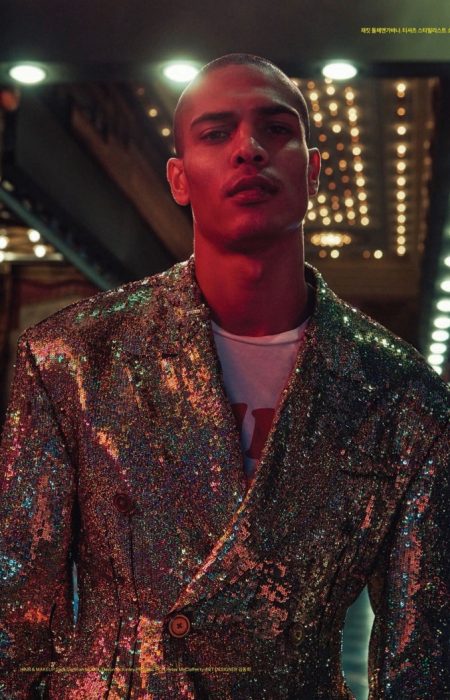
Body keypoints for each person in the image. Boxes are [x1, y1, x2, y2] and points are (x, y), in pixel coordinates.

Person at [0, 53, 448, 700]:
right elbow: (15, 630)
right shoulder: (72, 360)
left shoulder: (402, 397)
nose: (249, 149)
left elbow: (423, 663)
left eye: (276, 129)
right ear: (179, 179)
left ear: (312, 171)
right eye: (216, 132)